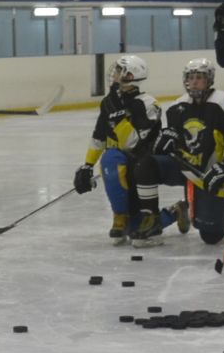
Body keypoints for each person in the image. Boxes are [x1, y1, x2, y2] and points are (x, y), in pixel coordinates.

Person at [127, 58, 224, 248]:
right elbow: (173, 141)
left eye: (200, 77)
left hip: (210, 174)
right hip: (184, 169)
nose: (194, 81)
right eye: (191, 77)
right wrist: (165, 141)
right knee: (146, 164)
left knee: (210, 236)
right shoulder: (176, 108)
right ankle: (152, 218)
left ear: (210, 79)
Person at [71, 55, 167, 244]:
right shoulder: (109, 102)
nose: (113, 74)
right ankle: (120, 215)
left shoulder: (148, 103)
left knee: (138, 226)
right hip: (120, 163)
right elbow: (99, 136)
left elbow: (133, 142)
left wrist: (118, 114)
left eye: (118, 71)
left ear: (130, 76)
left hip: (143, 165)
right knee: (110, 159)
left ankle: (174, 213)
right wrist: (87, 165)